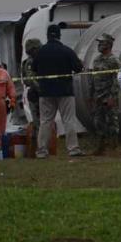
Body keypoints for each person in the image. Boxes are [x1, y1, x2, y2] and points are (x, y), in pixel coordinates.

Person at [33, 24, 85, 158]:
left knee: (45, 121)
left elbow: (34, 69)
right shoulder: (66, 50)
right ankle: (73, 149)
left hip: (45, 92)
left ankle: (42, 151)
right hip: (65, 91)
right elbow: (78, 68)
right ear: (59, 35)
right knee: (69, 120)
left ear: (47, 35)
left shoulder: (40, 52)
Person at [90, 33, 121, 155]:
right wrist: (90, 94)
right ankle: (101, 147)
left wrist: (112, 97)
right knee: (98, 122)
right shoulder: (97, 59)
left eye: (101, 43)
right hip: (98, 96)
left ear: (108, 45)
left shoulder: (114, 60)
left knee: (112, 122)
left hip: (108, 96)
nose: (99, 45)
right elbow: (93, 78)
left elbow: (116, 79)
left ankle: (114, 147)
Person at [21, 38, 42, 133]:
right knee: (38, 122)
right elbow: (30, 79)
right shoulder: (30, 62)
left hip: (38, 94)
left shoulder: (35, 60)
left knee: (42, 120)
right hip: (35, 94)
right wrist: (40, 88)